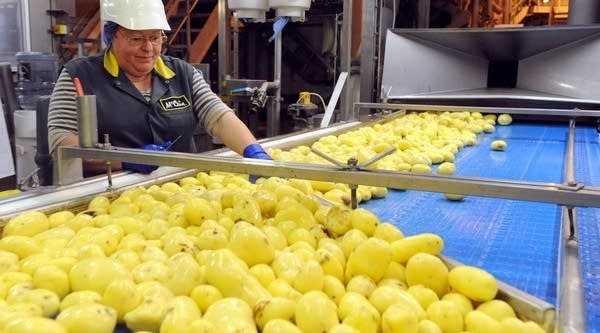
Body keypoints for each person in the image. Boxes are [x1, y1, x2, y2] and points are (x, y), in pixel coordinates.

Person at [47, 0, 270, 177]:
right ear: (111, 36)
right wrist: (124, 158)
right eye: (136, 38)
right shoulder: (79, 76)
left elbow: (219, 118)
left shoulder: (183, 73)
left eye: (155, 37)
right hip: (111, 196)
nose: (148, 48)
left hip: (180, 190)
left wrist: (253, 152)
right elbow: (62, 144)